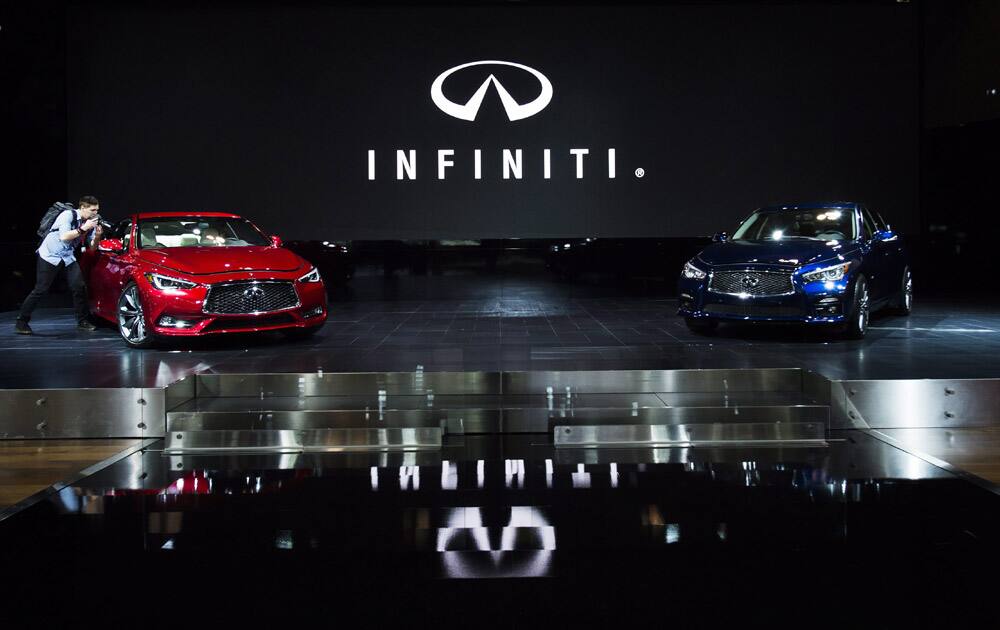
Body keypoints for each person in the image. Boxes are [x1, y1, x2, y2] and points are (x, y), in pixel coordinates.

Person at [15, 196, 104, 334]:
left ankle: (83, 321)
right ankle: (21, 322)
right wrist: (83, 228)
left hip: (67, 256)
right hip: (50, 255)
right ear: (82, 208)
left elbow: (92, 247)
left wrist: (97, 236)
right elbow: (64, 236)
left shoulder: (90, 222)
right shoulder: (67, 215)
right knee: (41, 289)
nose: (95, 213)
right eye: (92, 210)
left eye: (97, 210)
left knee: (79, 287)